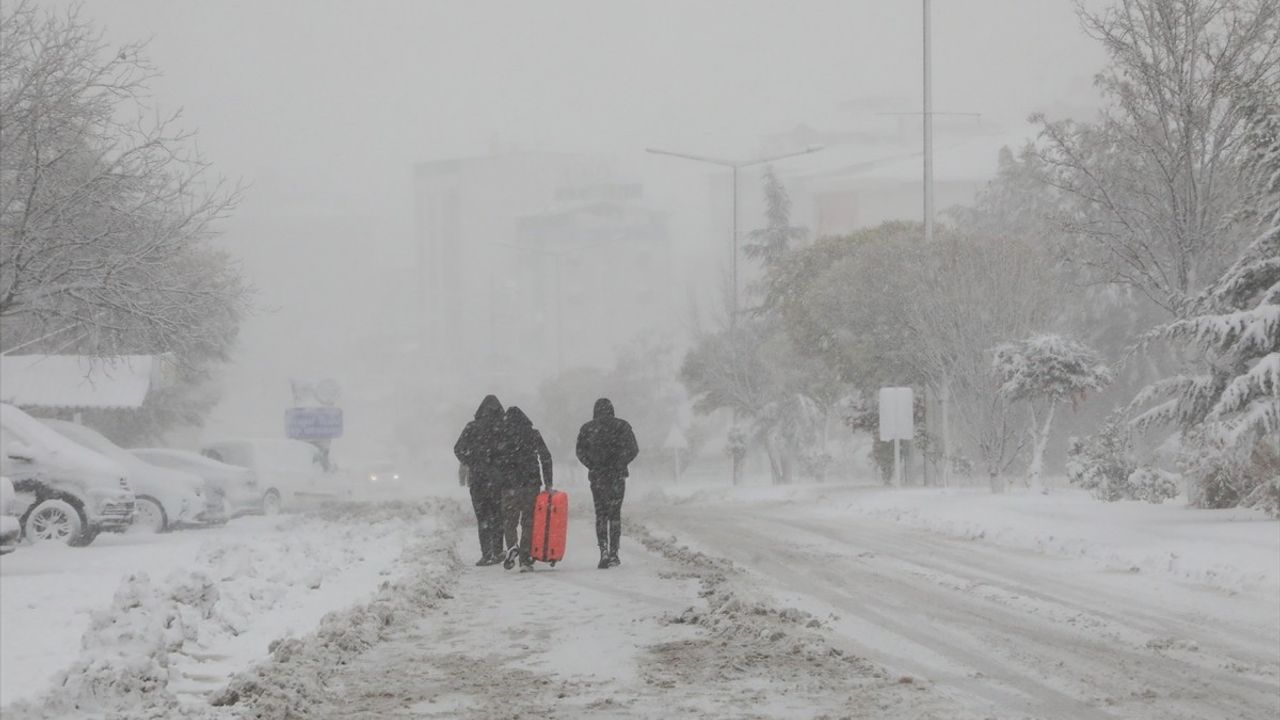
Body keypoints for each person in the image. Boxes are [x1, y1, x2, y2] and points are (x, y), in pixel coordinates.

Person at [575, 398, 638, 569]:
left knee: (601, 514)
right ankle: (614, 553)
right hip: (617, 477)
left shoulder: (587, 428)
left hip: (597, 478)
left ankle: (602, 549)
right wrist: (620, 463)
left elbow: (580, 452)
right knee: (615, 514)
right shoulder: (622, 426)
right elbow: (634, 449)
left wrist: (593, 465)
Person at [496, 406, 552, 572]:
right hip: (530, 483)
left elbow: (493, 460)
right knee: (529, 521)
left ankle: (512, 545)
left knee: (509, 520)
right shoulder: (533, 434)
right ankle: (525, 559)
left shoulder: (502, 435)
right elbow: (546, 457)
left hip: (509, 485)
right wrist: (548, 481)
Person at [453, 395, 506, 566]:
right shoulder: (502, 427)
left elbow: (458, 448)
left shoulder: (472, 427)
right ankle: (499, 551)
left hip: (478, 479)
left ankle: (487, 554)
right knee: (498, 515)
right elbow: (511, 451)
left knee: (483, 517)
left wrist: (472, 461)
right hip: (498, 479)